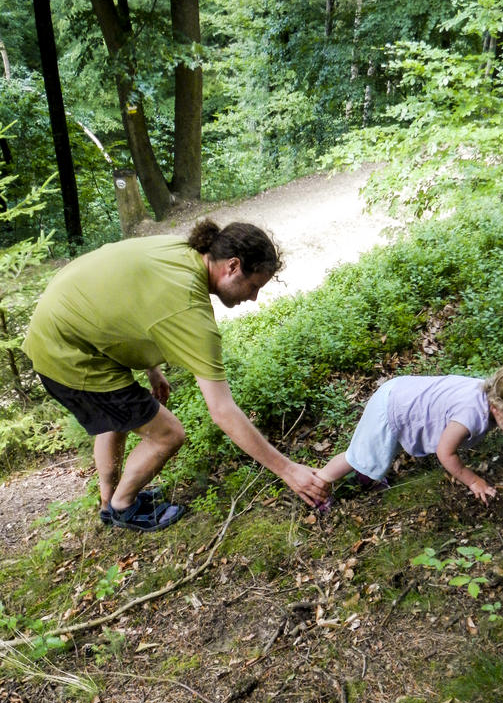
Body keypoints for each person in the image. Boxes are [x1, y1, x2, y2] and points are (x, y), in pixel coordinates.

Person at [22, 220, 328, 531]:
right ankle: (121, 507)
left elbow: (130, 296)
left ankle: (107, 501)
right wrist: (288, 470)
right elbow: (222, 411)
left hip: (62, 329)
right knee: (168, 434)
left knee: (116, 414)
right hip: (68, 356)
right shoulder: (190, 312)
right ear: (232, 266)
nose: (253, 298)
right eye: (254, 286)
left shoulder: (180, 252)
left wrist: (151, 369)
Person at [316, 364, 503, 504]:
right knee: (359, 455)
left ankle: (368, 474)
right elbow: (446, 453)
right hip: (392, 406)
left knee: (378, 452)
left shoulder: (499, 399)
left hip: (404, 395)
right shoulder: (471, 415)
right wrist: (473, 481)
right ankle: (319, 485)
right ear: (498, 409)